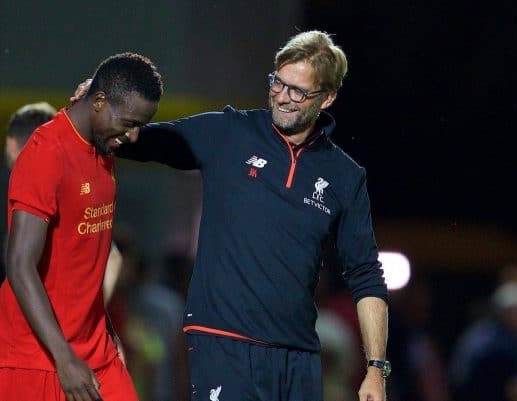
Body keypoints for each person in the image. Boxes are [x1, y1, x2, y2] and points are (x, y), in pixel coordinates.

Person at [75, 30, 389, 401]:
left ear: (328, 97)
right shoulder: (229, 132)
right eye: (278, 83)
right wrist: (97, 112)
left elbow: (366, 274)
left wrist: (375, 369)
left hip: (299, 356)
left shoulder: (345, 176)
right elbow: (144, 141)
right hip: (223, 343)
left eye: (298, 91)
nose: (283, 97)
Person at [0, 52, 163, 401]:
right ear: (98, 101)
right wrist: (64, 357)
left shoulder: (102, 149)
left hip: (94, 350)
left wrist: (105, 326)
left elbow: (84, 258)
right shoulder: (45, 152)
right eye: (128, 123)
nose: (132, 136)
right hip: (34, 358)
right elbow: (20, 264)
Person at [5, 101, 124, 305]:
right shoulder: (61, 177)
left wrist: (85, 318)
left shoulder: (56, 183)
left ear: (11, 145)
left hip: (51, 328)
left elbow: (112, 258)